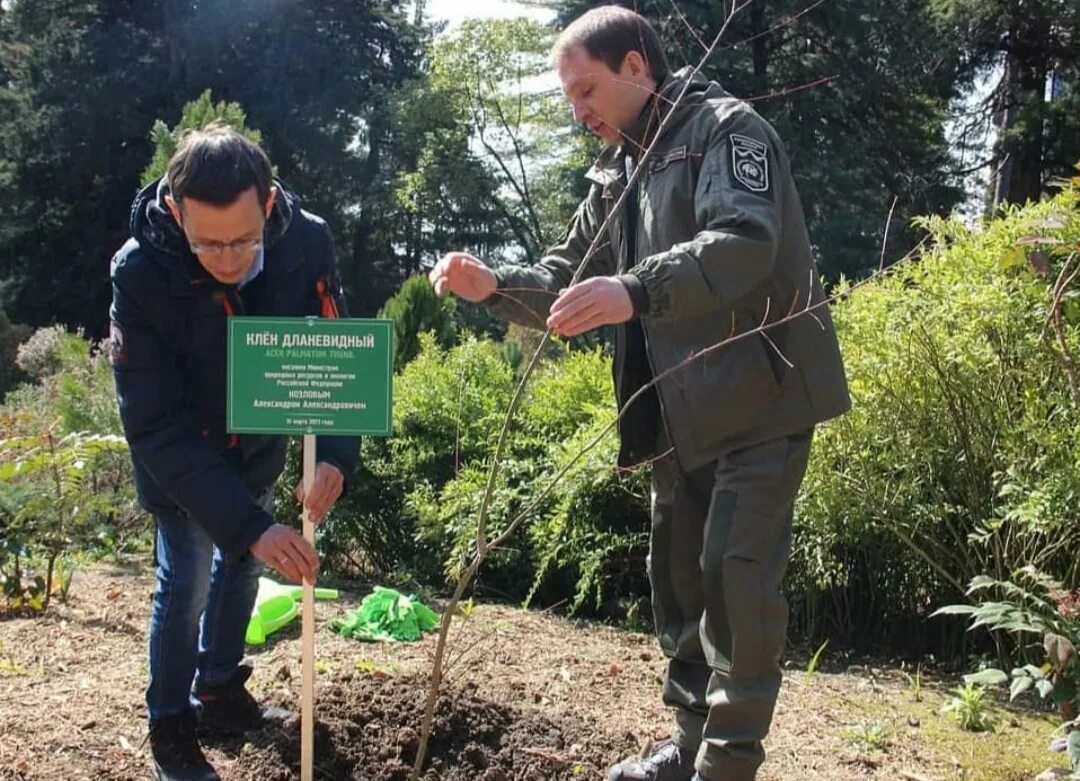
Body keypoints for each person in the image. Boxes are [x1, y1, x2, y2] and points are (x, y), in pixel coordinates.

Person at [428, 7, 849, 781]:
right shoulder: (619, 170)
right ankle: (688, 746)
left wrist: (633, 288)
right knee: (680, 583)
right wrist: (493, 287)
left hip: (760, 401)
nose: (578, 112)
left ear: (634, 67)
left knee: (736, 579)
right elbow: (563, 278)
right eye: (567, 99)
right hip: (674, 418)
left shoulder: (729, 130)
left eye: (585, 90)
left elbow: (745, 242)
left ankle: (726, 764)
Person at [109, 122, 359, 781]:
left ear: (269, 204)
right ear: (174, 212)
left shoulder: (308, 242)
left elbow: (336, 350)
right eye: (208, 243)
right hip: (181, 462)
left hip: (257, 446)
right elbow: (153, 423)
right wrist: (251, 525)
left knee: (243, 568)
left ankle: (219, 688)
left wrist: (334, 454)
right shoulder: (139, 272)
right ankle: (171, 724)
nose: (227, 259)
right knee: (185, 578)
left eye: (244, 241)